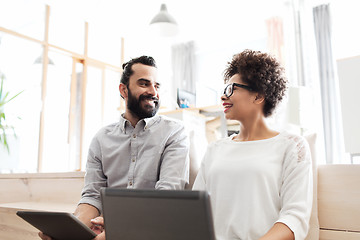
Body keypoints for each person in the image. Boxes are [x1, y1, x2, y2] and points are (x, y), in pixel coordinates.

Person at [39, 56, 189, 240]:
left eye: (156, 86)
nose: (153, 92)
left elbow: (166, 197)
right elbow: (92, 196)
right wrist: (71, 230)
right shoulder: (101, 139)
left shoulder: (174, 132)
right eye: (144, 84)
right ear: (123, 89)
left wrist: (117, 228)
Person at [193, 49, 313, 240]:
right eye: (224, 90)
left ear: (258, 96)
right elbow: (195, 212)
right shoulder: (215, 149)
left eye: (232, 89)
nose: (224, 96)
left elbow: (295, 218)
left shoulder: (292, 146)